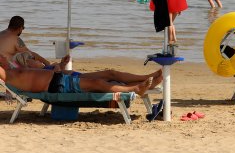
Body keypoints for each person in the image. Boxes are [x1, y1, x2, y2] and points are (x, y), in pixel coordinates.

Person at [0, 53, 161, 95]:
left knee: (107, 75)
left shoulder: (15, 71)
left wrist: (60, 66)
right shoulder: (10, 76)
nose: (4, 57)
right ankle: (134, 89)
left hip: (60, 78)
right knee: (97, 83)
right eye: (1, 57)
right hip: (57, 84)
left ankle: (145, 80)